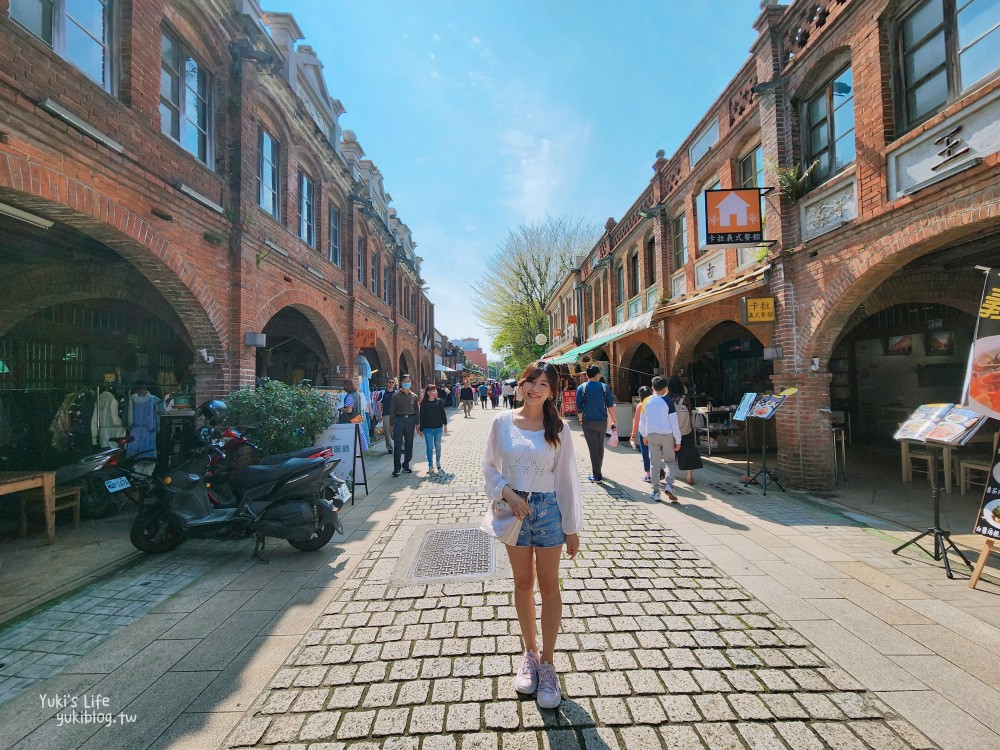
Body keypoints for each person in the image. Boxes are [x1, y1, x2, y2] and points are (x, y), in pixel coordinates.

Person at [482, 361, 582, 710]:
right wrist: (507, 493)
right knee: (523, 583)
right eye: (531, 382)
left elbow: (567, 479)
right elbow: (488, 466)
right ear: (521, 384)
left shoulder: (560, 429)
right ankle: (529, 652)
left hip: (550, 511)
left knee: (550, 585)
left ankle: (548, 663)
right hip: (514, 510)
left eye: (544, 384)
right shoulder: (502, 423)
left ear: (553, 391)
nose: (535, 389)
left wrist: (572, 527)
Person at [638, 376, 682, 503]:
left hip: (652, 435)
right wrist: (678, 440)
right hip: (667, 434)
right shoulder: (668, 402)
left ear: (652, 388)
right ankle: (669, 485)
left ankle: (656, 492)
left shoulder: (646, 401)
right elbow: (674, 423)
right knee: (670, 461)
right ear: (665, 388)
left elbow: (643, 421)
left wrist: (644, 435)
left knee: (655, 463)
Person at [575, 365, 616, 482]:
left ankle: (597, 475)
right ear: (598, 374)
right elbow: (610, 405)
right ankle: (598, 470)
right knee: (599, 446)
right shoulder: (604, 387)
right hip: (602, 422)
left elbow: (579, 407)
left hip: (588, 422)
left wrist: (581, 420)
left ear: (586, 375)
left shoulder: (581, 388)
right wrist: (614, 421)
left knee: (593, 448)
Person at [668, 376, 703, 484]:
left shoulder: (668, 399)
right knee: (688, 451)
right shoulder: (685, 398)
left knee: (671, 453)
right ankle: (689, 475)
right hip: (686, 430)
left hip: (672, 431)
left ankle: (671, 474)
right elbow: (690, 413)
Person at [388, 374, 418, 477]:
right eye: (405, 381)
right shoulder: (395, 396)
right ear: (401, 383)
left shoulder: (413, 396)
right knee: (397, 445)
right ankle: (397, 467)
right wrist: (391, 424)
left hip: (410, 420)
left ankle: (406, 464)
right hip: (399, 420)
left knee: (409, 444)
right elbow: (392, 411)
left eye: (408, 381)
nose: (407, 383)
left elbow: (416, 410)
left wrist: (417, 424)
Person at [417, 384, 448, 474]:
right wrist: (421, 429)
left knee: (438, 446)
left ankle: (438, 463)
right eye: (433, 390)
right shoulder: (424, 403)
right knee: (429, 447)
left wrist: (445, 425)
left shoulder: (439, 401)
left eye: (435, 390)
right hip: (427, 429)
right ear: (428, 392)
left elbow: (443, 413)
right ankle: (430, 465)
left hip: (438, 427)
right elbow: (421, 416)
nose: (435, 392)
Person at [629, 386, 653, 483]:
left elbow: (636, 422)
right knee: (656, 453)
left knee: (645, 454)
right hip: (656, 432)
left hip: (644, 433)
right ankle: (656, 472)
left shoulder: (640, 405)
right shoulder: (656, 404)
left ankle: (648, 475)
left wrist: (633, 436)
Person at [374, 378, 397, 454]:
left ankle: (401, 447)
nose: (391, 384)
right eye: (389, 382)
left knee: (398, 431)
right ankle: (390, 448)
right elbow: (380, 404)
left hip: (396, 415)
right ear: (387, 383)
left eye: (392, 382)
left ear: (394, 384)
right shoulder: (382, 393)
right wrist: (379, 414)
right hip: (386, 414)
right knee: (387, 432)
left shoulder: (396, 393)